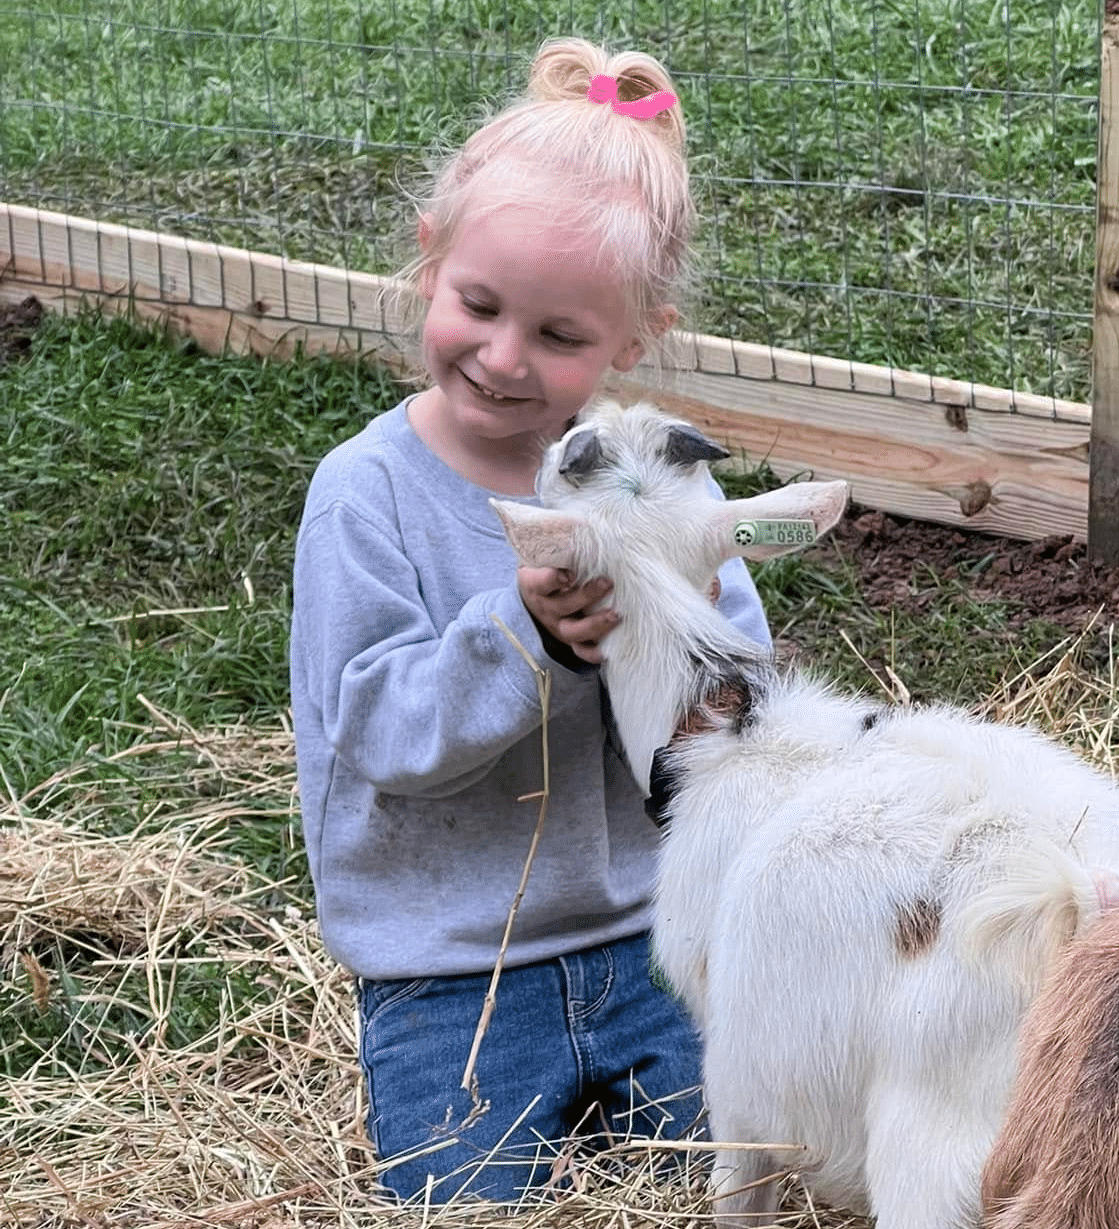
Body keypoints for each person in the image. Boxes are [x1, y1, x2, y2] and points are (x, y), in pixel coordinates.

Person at [288, 37, 770, 1204]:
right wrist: (531, 636)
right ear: (429, 262)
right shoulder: (368, 496)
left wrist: (691, 621)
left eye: (559, 337)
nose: (504, 360)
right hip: (456, 965)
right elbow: (378, 730)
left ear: (634, 337)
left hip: (657, 934)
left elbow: (736, 717)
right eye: (480, 307)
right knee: (464, 1201)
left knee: (752, 1166)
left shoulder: (651, 477)